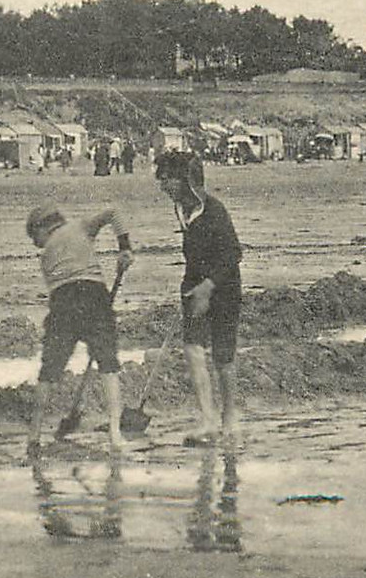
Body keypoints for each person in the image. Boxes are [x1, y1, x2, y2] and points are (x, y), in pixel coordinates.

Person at [25, 202, 135, 455]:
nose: (35, 243)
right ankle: (116, 435)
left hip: (63, 302)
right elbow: (114, 212)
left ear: (44, 227)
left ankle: (34, 434)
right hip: (94, 295)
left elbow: (62, 285)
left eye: (35, 236)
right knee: (109, 364)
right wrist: (125, 249)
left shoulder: (47, 256)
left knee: (49, 369)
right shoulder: (81, 227)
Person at [155, 150, 243, 440]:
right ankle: (207, 420)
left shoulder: (215, 211)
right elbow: (192, 254)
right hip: (195, 285)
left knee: (223, 357)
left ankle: (229, 419)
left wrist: (208, 286)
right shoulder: (181, 210)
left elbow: (233, 254)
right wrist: (189, 287)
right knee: (192, 350)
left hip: (225, 286)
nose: (163, 186)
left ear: (185, 180)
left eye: (167, 179)